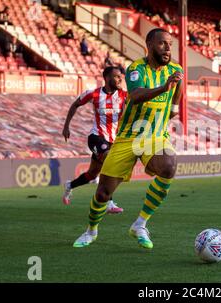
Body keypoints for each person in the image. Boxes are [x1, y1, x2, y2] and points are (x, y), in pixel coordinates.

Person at [72, 28, 184, 249]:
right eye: (162, 43)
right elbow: (136, 95)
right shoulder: (136, 69)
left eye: (170, 44)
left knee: (169, 166)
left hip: (155, 136)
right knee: (103, 193)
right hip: (128, 138)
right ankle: (91, 231)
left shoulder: (175, 70)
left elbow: (178, 87)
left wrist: (174, 108)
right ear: (149, 45)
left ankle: (140, 224)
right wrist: (164, 87)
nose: (168, 48)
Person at [62, 66, 126, 215]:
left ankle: (69, 185)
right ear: (107, 78)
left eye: (121, 77)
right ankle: (108, 201)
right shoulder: (94, 94)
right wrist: (66, 126)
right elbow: (75, 104)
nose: (120, 79)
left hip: (113, 141)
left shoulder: (124, 95)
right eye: (116, 76)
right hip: (96, 137)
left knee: (92, 174)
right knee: (109, 160)